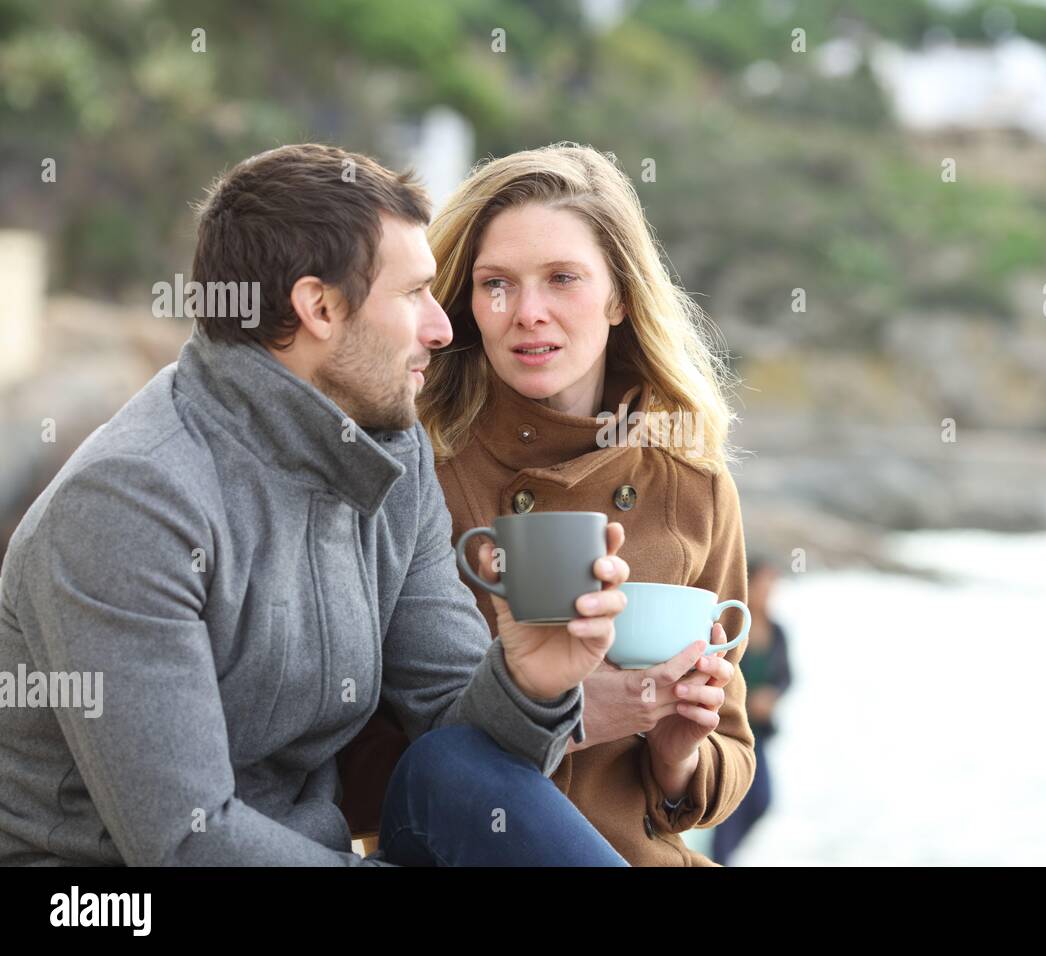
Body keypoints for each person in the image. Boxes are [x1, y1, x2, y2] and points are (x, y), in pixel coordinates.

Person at [0, 144, 631, 866]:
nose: (442, 328)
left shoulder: (389, 454)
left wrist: (529, 682)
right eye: (413, 294)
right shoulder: (130, 504)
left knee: (448, 767)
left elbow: (468, 764)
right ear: (320, 306)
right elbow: (186, 842)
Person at [340, 143, 755, 865]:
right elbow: (355, 758)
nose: (528, 313)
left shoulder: (692, 483)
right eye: (496, 283)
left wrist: (676, 755)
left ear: (620, 296)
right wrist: (564, 716)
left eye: (562, 279)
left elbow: (733, 750)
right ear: (466, 301)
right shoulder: (415, 474)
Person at [709, 556, 792, 865]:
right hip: (726, 728)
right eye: (765, 583)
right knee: (729, 801)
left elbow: (786, 677)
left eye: (775, 584)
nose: (770, 590)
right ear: (749, 584)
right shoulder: (731, 627)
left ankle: (723, 856)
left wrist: (772, 696)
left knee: (761, 800)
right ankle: (719, 858)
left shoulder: (778, 631)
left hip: (760, 733)